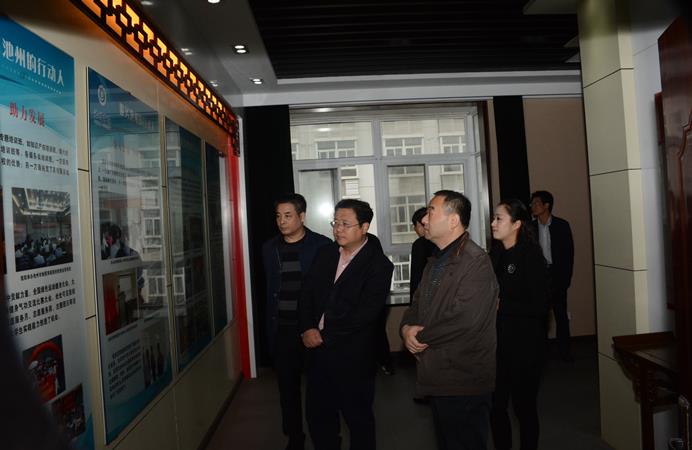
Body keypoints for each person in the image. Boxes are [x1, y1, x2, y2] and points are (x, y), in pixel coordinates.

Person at [400, 190, 499, 450]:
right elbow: (416, 304)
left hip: (464, 378)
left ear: (453, 220)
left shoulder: (476, 262)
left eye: (431, 212)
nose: (424, 220)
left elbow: (465, 320)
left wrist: (418, 337)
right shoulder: (436, 260)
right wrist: (406, 328)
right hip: (440, 374)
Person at [299, 199, 394, 450]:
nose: (338, 229)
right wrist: (307, 327)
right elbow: (306, 293)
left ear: (364, 227)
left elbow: (365, 314)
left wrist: (324, 335)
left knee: (358, 420)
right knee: (318, 418)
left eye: (345, 224)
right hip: (317, 353)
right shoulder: (326, 253)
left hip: (353, 356)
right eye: (336, 223)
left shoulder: (379, 265)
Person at [262, 193, 331, 450]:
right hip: (282, 330)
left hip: (312, 330)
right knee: (287, 390)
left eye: (288, 215)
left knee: (320, 390)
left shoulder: (322, 246)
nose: (282, 221)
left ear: (302, 216)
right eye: (278, 216)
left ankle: (324, 438)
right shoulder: (269, 248)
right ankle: (295, 438)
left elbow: (328, 292)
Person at [489, 199, 549, 450]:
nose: (493, 223)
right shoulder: (496, 255)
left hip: (525, 347)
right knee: (495, 406)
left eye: (499, 219)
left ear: (516, 224)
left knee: (524, 408)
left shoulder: (530, 256)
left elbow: (540, 307)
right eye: (493, 218)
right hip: (498, 346)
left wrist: (502, 305)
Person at [529, 190, 574, 361]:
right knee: (539, 316)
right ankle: (541, 353)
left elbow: (569, 255)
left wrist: (566, 280)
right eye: (532, 203)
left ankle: (565, 352)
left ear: (546, 205)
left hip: (557, 275)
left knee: (561, 315)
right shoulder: (530, 228)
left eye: (536, 203)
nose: (532, 206)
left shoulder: (562, 226)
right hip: (539, 276)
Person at [409, 206, 437, 302]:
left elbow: (416, 277)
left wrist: (413, 302)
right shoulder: (440, 241)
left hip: (423, 298)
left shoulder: (419, 244)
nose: (415, 229)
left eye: (415, 225)